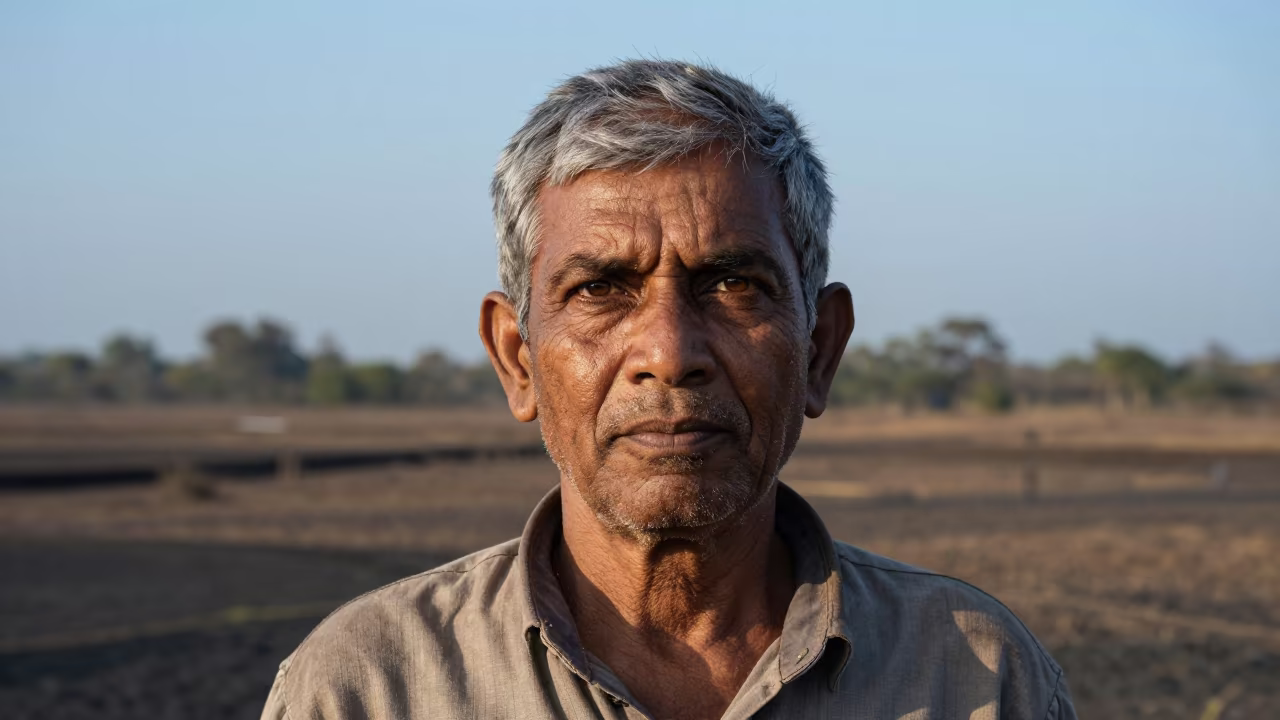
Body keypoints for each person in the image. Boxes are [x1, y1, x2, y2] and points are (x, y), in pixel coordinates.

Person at [260, 59, 1075, 720]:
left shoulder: (974, 677)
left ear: (820, 349)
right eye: (600, 289)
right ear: (517, 359)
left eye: (731, 284)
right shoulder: (368, 689)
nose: (668, 352)